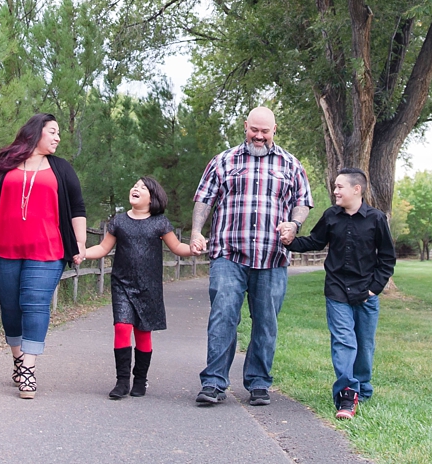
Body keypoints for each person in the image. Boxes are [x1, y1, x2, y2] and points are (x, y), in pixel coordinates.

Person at [189, 106, 312, 407]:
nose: (259, 136)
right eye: (254, 130)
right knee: (223, 316)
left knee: (266, 322)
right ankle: (214, 383)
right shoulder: (223, 161)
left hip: (271, 257)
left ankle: (259, 382)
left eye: (265, 131)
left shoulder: (291, 164)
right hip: (228, 254)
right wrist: (195, 232)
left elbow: (303, 201)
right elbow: (204, 199)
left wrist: (294, 225)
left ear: (274, 130)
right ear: (245, 126)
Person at [0, 113, 87, 398]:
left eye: (59, 133)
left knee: (35, 304)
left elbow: (78, 207)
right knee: (11, 308)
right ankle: (19, 360)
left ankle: (29, 370)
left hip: (48, 250)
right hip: (4, 248)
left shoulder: (62, 168)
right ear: (36, 132)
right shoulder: (2, 165)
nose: (58, 137)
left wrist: (80, 242)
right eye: (53, 132)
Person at [282, 167, 395, 420]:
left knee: (364, 346)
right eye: (335, 186)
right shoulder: (331, 216)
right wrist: (290, 242)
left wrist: (373, 289)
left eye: (339, 187)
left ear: (357, 189)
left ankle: (362, 388)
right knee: (344, 342)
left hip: (365, 294)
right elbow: (314, 241)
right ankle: (346, 393)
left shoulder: (376, 219)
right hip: (336, 291)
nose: (335, 191)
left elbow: (387, 258)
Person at [78, 176, 194, 399]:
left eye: (143, 187)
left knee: (143, 333)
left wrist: (194, 249)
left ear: (153, 198)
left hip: (149, 286)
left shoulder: (160, 222)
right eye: (135, 186)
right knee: (122, 327)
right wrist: (83, 254)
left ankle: (140, 379)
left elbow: (177, 247)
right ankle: (122, 381)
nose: (136, 188)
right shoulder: (119, 221)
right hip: (122, 283)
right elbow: (102, 248)